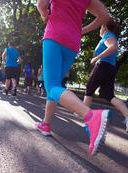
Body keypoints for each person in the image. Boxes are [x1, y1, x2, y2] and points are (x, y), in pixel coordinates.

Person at [36, 0, 110, 155]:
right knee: (56, 85)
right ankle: (46, 124)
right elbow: (104, 15)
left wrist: (45, 16)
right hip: (72, 42)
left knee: (51, 86)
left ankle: (91, 116)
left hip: (54, 35)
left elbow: (41, 5)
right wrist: (81, 30)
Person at [83, 19, 128, 132]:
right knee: (108, 94)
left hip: (103, 66)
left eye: (100, 26)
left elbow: (113, 46)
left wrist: (97, 58)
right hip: (110, 68)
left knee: (89, 89)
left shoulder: (108, 35)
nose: (100, 29)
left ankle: (87, 118)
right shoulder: (109, 36)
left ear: (105, 27)